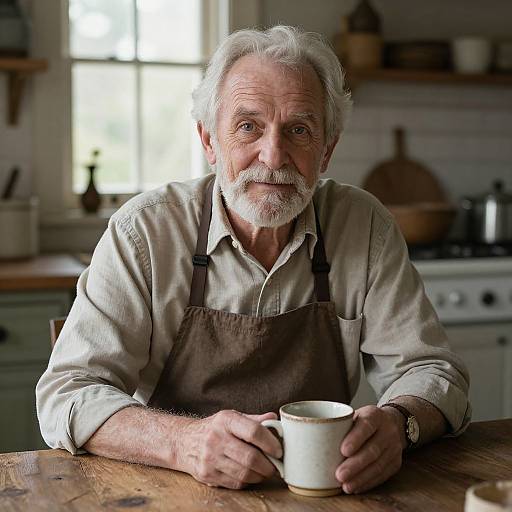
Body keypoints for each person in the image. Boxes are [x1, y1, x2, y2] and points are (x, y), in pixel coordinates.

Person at [36, 25, 470, 495]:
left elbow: (433, 372)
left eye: (299, 130)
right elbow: (68, 393)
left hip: (323, 497)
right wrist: (183, 443)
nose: (274, 154)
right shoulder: (144, 232)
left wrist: (399, 424)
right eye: (248, 126)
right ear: (208, 141)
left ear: (326, 151)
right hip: (168, 493)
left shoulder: (364, 227)